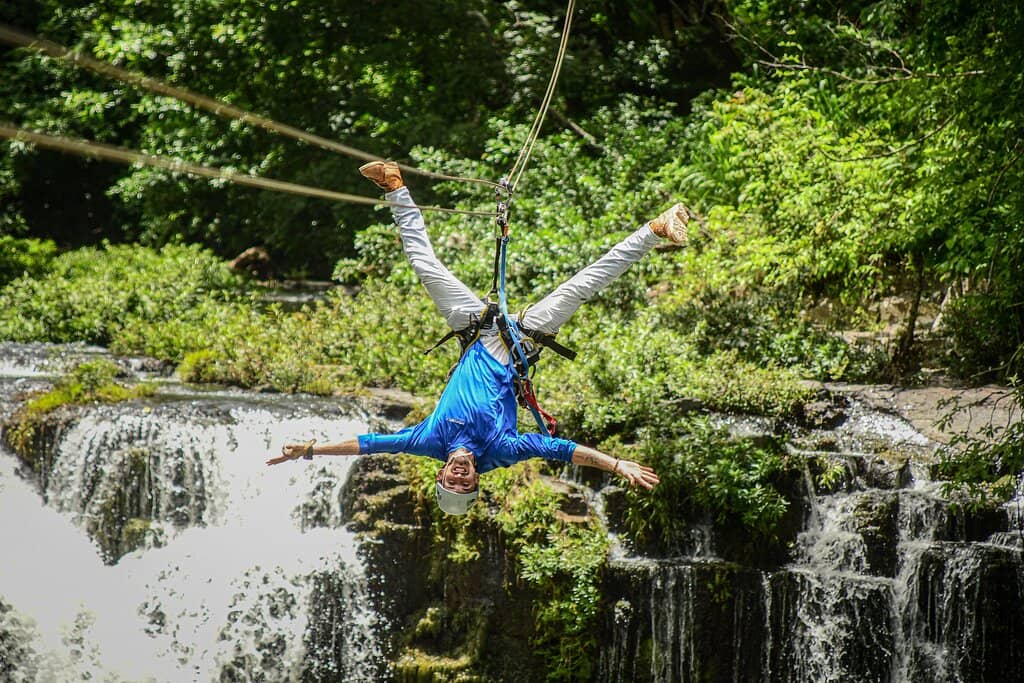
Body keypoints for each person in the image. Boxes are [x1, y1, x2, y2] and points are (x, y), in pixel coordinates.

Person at [268, 161, 693, 515]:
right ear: (474, 480)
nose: (459, 475)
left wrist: (310, 451)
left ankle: (394, 185)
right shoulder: (502, 451)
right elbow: (562, 450)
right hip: (518, 342)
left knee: (424, 266)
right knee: (581, 286)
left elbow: (368, 445)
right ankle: (655, 228)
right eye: (464, 482)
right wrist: (616, 464)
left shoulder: (429, 441)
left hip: (474, 328)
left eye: (452, 480)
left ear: (440, 474)